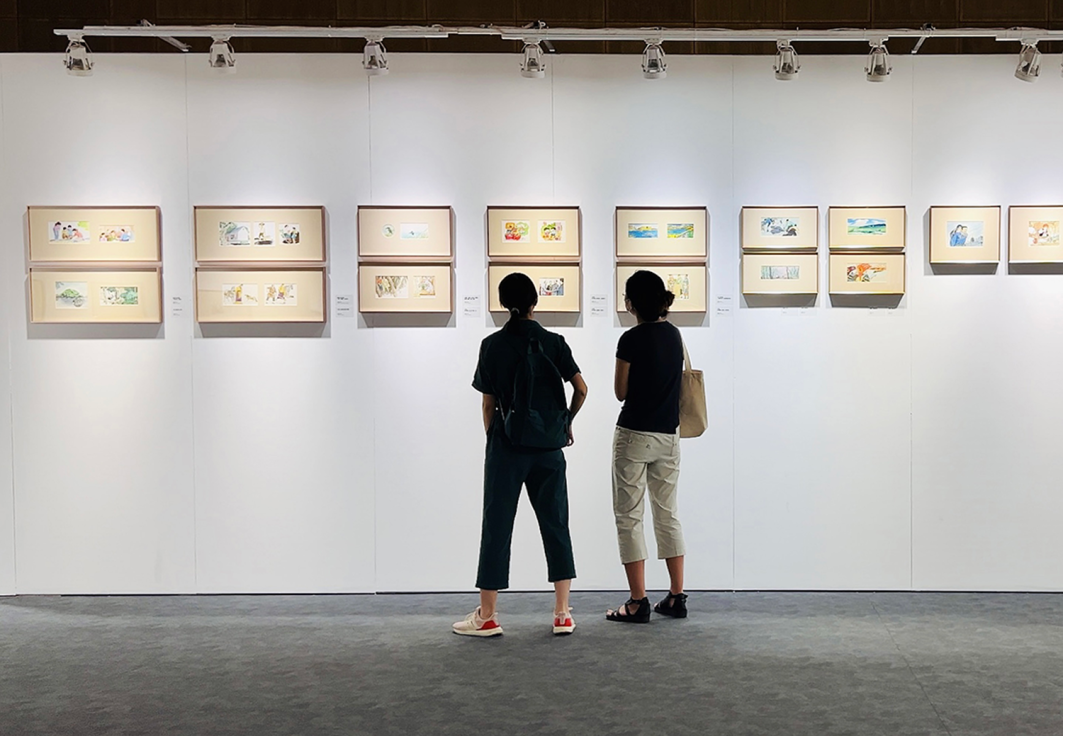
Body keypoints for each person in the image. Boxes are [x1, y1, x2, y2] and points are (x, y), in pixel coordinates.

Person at [453, 273, 588, 637]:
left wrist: (496, 438)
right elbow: (581, 389)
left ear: (503, 304)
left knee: (497, 525)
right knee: (556, 523)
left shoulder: (491, 346)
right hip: (548, 447)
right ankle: (562, 612)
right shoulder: (554, 342)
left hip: (506, 446)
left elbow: (488, 404)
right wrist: (565, 422)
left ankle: (488, 615)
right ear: (534, 302)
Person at [606, 270, 688, 624]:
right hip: (668, 436)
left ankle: (637, 601)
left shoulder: (630, 339)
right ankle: (676, 596)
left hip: (634, 435)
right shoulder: (674, 335)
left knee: (629, 517)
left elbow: (620, 392)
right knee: (667, 514)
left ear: (631, 304)